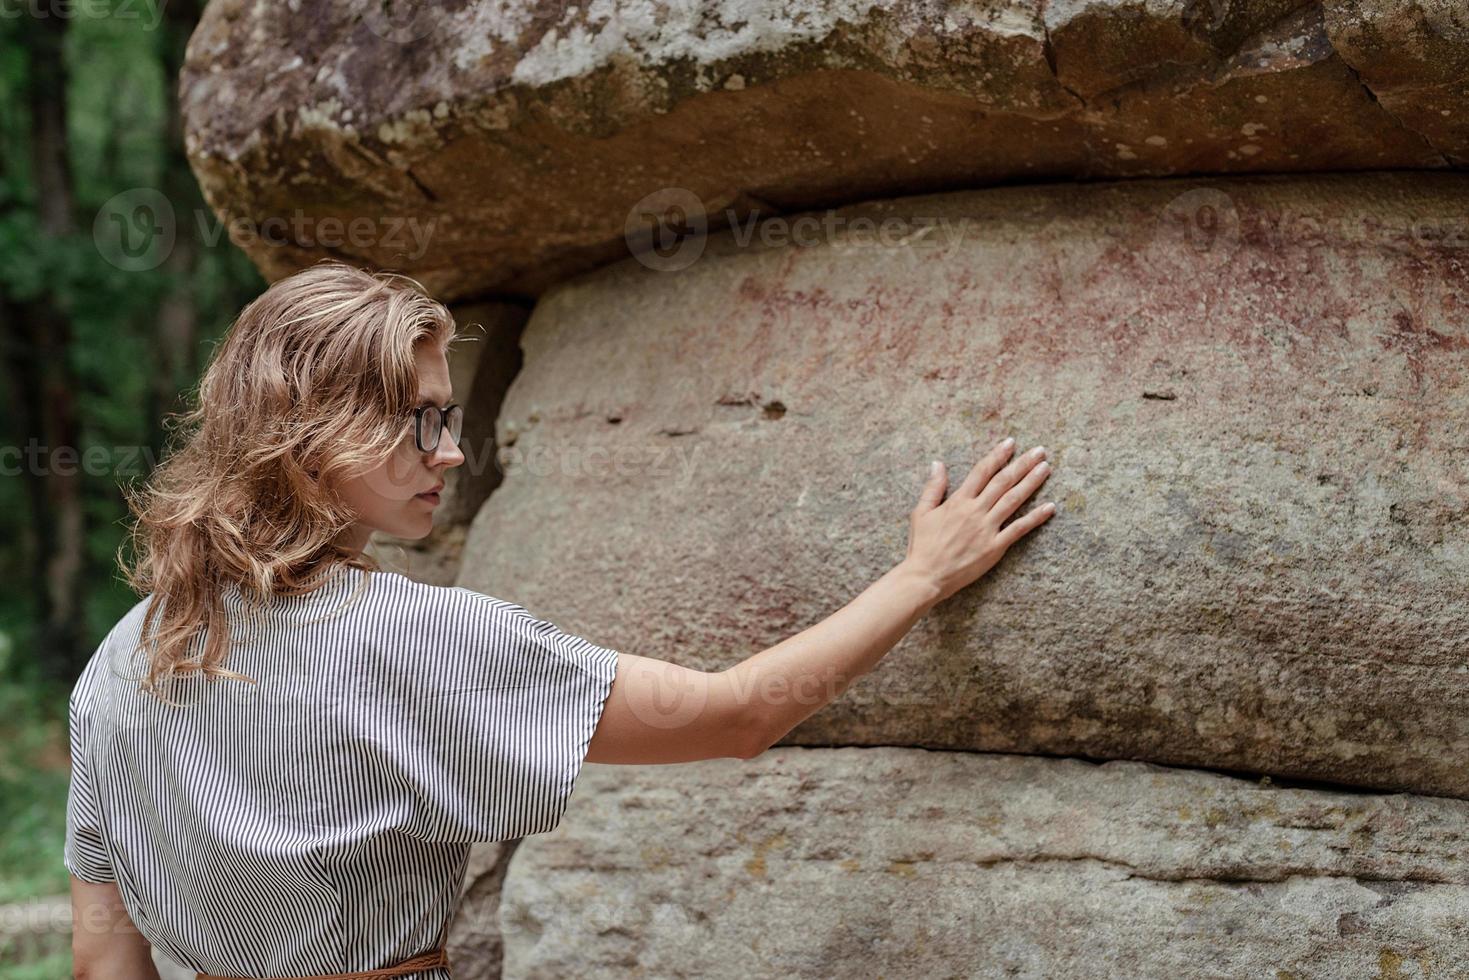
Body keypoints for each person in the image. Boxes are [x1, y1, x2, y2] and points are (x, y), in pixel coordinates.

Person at [65, 259, 1055, 980]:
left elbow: (104, 955)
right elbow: (736, 714)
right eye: (419, 418)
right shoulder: (418, 635)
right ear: (312, 432)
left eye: (447, 417)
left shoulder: (117, 663)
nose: (448, 452)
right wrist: (922, 573)